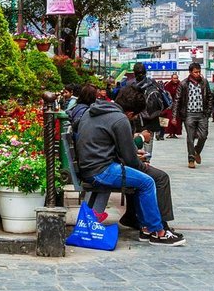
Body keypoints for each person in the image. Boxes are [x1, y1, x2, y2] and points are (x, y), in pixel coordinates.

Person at [73, 84, 184, 246]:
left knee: (143, 179)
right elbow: (131, 160)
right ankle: (157, 232)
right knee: (147, 182)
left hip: (90, 166)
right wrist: (142, 163)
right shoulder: (120, 119)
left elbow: (107, 144)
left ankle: (146, 228)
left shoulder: (95, 110)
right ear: (131, 113)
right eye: (134, 116)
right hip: (101, 170)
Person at [176, 61, 214, 169]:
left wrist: (208, 112)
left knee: (203, 135)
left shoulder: (204, 82)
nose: (198, 74)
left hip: (202, 114)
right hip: (189, 114)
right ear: (190, 72)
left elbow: (209, 97)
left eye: (199, 72)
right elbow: (177, 100)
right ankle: (191, 159)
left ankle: (197, 151)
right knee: (190, 137)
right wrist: (174, 116)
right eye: (195, 72)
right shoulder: (184, 84)